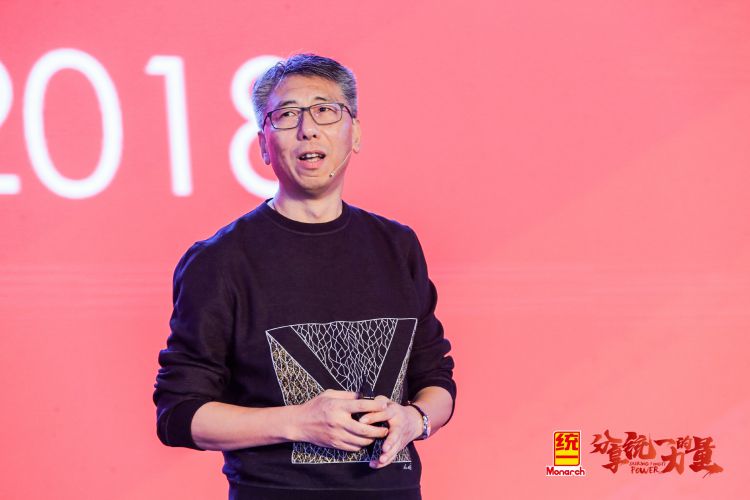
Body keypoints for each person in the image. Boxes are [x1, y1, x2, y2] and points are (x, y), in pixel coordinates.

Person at [153, 53, 457, 500]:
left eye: (325, 110)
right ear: (262, 145)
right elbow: (178, 414)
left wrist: (415, 419)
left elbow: (436, 379)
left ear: (355, 133)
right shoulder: (219, 261)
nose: (308, 129)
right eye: (286, 115)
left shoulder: (398, 246)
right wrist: (298, 422)